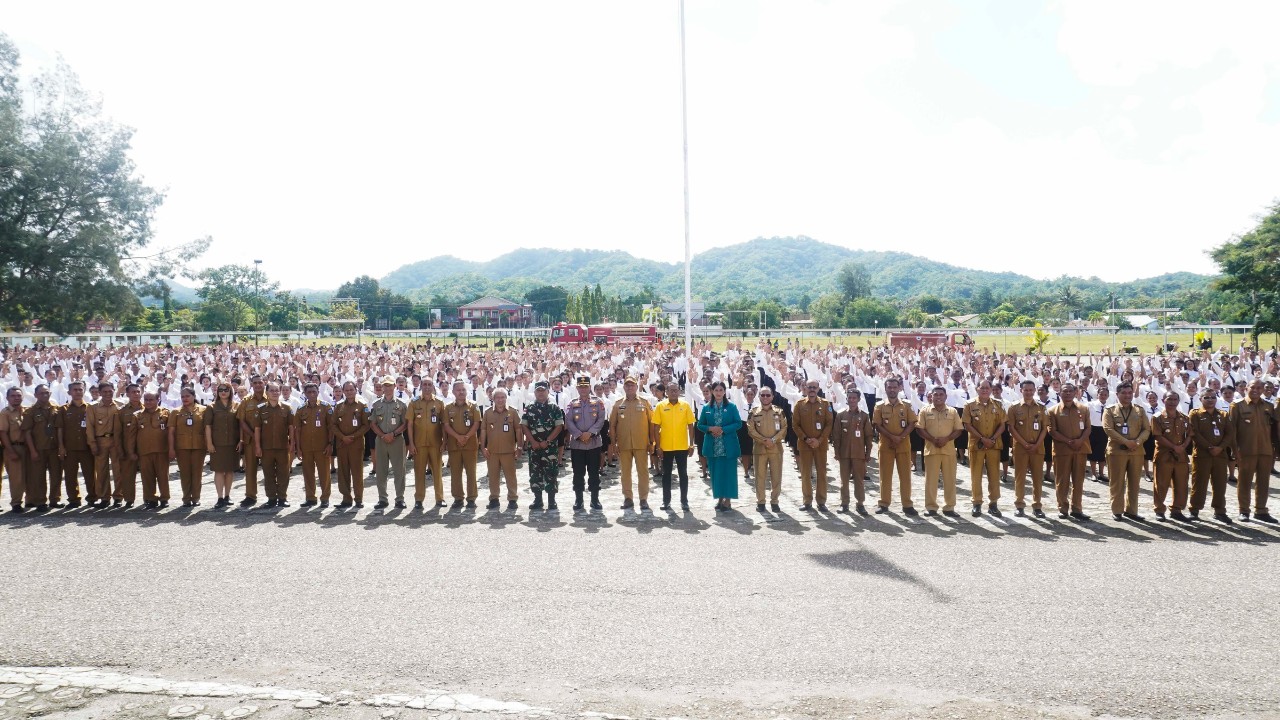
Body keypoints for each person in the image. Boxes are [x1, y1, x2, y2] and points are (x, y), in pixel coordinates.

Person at [1229, 379, 1278, 523]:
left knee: (1263, 481)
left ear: (1263, 390)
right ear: (1246, 388)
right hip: (1246, 450)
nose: (1255, 390)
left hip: (1265, 450)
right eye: (1252, 387)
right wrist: (1234, 451)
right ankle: (1244, 510)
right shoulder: (1237, 405)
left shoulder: (1269, 406)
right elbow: (1232, 431)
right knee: (1245, 481)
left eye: (1259, 387)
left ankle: (1261, 510)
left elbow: (1274, 429)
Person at [1102, 381, 1150, 521]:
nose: (1127, 395)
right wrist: (1126, 442)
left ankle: (1132, 511)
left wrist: (1137, 442)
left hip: (1136, 450)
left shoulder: (1139, 410)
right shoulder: (1110, 410)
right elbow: (1108, 429)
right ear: (1117, 394)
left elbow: (1146, 429)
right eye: (1124, 393)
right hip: (1117, 451)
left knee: (1134, 482)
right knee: (1117, 482)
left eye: (1129, 393)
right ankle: (1117, 510)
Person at [608, 376, 655, 511]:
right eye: (627, 385)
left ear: (636, 386)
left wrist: (652, 442)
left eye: (632, 385)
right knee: (625, 473)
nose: (630, 388)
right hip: (623, 444)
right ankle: (628, 498)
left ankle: (643, 499)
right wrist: (613, 443)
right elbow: (612, 425)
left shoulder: (645, 403)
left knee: (643, 472)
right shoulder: (617, 404)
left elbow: (651, 424)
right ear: (624, 387)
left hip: (641, 443)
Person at [871, 378, 917, 515]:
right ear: (885, 389)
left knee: (905, 476)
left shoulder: (906, 405)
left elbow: (912, 423)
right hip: (886, 445)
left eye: (894, 387)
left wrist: (900, 437)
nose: (892, 390)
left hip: (903, 445)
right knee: (885, 475)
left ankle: (907, 504)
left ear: (899, 388)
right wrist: (892, 437)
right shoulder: (879, 406)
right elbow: (877, 425)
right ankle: (884, 503)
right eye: (889, 387)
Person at [915, 386, 962, 517]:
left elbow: (958, 429)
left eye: (941, 394)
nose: (939, 397)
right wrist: (932, 439)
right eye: (936, 395)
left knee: (950, 479)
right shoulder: (925, 410)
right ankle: (931, 507)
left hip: (948, 450)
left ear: (946, 396)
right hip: (931, 449)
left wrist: (946, 439)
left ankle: (949, 507)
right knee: (930, 480)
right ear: (931, 396)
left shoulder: (953, 411)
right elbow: (919, 429)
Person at [1189, 387, 1233, 523]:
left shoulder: (1223, 415)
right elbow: (1194, 433)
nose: (1210, 400)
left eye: (1213, 397)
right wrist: (1209, 447)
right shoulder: (1195, 414)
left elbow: (1230, 434)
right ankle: (1194, 510)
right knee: (1199, 483)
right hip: (1203, 455)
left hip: (1220, 455)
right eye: (1206, 397)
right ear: (1201, 399)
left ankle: (1219, 511)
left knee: (1220, 484)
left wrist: (1220, 447)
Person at [1047, 382, 1090, 520]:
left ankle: (1077, 508)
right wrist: (1068, 441)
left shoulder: (1083, 409)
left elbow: (1088, 428)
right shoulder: (1053, 411)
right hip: (1062, 450)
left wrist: (1080, 441)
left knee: (1078, 481)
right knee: (1062, 480)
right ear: (1060, 393)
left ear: (1075, 392)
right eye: (1064, 391)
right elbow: (1052, 431)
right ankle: (1063, 508)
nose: (1067, 394)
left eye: (1070, 391)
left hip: (1080, 449)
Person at [964, 380, 1006, 517]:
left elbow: (1002, 425)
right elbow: (967, 425)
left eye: (987, 388)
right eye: (982, 388)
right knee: (976, 476)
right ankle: (976, 503)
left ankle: (993, 503)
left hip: (994, 445)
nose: (985, 390)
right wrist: (982, 439)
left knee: (994, 475)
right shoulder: (969, 405)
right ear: (977, 389)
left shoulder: (998, 405)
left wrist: (992, 439)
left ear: (991, 389)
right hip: (977, 445)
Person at [698, 381, 742, 512]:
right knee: (716, 474)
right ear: (712, 391)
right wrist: (711, 428)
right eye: (716, 390)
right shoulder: (706, 408)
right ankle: (719, 498)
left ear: (724, 392)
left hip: (728, 445)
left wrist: (723, 429)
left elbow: (738, 423)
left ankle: (728, 500)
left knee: (729, 473)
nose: (718, 393)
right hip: (713, 446)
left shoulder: (732, 407)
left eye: (721, 390)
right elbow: (700, 425)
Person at [520, 381, 565, 511]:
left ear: (547, 391)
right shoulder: (529, 407)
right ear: (534, 393)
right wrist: (533, 442)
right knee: (535, 473)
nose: (540, 393)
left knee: (551, 473)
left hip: (549, 447)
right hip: (534, 448)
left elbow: (559, 426)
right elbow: (524, 425)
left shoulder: (554, 407)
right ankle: (538, 500)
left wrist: (548, 441)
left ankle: (552, 501)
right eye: (538, 391)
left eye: (543, 390)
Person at [564, 376, 606, 512]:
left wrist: (590, 433)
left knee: (594, 473)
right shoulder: (572, 403)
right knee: (578, 473)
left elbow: (601, 419)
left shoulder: (598, 402)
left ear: (589, 387)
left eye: (585, 386)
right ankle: (579, 499)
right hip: (577, 445)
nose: (583, 389)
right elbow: (568, 421)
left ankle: (595, 499)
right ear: (577, 388)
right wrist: (579, 434)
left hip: (594, 443)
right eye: (580, 387)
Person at [1008, 380, 1048, 518]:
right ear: (1021, 390)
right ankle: (1019, 504)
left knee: (1037, 477)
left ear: (1034, 390)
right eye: (1026, 390)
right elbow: (1011, 428)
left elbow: (1044, 428)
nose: (1029, 392)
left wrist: (1036, 444)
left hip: (1038, 447)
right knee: (1020, 477)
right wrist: (1024, 443)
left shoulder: (1041, 408)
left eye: (1031, 390)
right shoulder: (1014, 407)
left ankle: (1037, 506)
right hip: (1020, 447)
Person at [653, 382, 695, 511]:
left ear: (679, 391)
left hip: (682, 446)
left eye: (676, 390)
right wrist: (658, 446)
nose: (674, 392)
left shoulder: (685, 405)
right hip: (666, 447)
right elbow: (656, 427)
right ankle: (666, 501)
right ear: (666, 392)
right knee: (666, 475)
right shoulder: (660, 406)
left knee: (683, 474)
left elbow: (690, 425)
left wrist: (691, 444)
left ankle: (684, 501)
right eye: (671, 390)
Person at [792, 379, 833, 512]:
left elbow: (829, 424)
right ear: (805, 388)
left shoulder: (826, 404)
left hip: (820, 445)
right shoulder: (799, 404)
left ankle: (821, 501)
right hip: (805, 445)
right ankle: (807, 501)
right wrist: (806, 438)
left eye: (814, 387)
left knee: (821, 472)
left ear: (818, 388)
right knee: (805, 473)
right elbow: (795, 425)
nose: (811, 390)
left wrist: (819, 440)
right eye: (809, 387)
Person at [369, 376, 409, 510]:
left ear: (394, 387)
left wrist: (393, 434)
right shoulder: (376, 404)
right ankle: (382, 499)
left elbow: (405, 423)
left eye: (390, 385)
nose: (387, 388)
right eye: (385, 385)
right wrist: (383, 435)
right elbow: (373, 423)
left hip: (397, 440)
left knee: (399, 471)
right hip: (381, 440)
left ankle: (400, 499)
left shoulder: (401, 404)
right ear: (382, 387)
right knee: (381, 471)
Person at [1150, 392, 1192, 522]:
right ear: (1163, 400)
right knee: (1161, 484)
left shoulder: (1184, 417)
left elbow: (1190, 434)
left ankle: (1177, 510)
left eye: (1175, 399)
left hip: (1181, 456)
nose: (1172, 402)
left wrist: (1183, 446)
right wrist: (1174, 447)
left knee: (1181, 484)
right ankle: (1159, 510)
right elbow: (1157, 436)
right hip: (1164, 455)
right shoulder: (1157, 417)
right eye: (1169, 399)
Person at [21, 386, 64, 508]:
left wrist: (61, 446)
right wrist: (32, 451)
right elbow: (27, 432)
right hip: (38, 448)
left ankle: (55, 499)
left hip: (54, 447)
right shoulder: (30, 412)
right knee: (38, 476)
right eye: (41, 393)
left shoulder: (56, 409)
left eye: (47, 393)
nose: (45, 395)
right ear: (35, 395)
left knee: (56, 475)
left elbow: (59, 428)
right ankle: (40, 501)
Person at [747, 386, 789, 512]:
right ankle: (761, 502)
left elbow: (784, 428)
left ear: (772, 396)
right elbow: (751, 429)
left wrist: (773, 440)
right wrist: (764, 440)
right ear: (759, 396)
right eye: (762, 395)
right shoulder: (753, 412)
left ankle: (775, 501)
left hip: (775, 448)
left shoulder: (779, 411)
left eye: (768, 395)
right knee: (759, 477)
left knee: (776, 476)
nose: (765, 397)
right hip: (760, 449)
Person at [406, 379, 446, 509]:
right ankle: (419, 499)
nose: (427, 387)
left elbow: (444, 424)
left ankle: (440, 498)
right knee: (419, 471)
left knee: (437, 472)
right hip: (419, 443)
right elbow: (410, 424)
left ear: (433, 387)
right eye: (425, 385)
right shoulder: (414, 402)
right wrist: (411, 444)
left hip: (435, 443)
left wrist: (444, 441)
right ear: (421, 386)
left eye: (430, 385)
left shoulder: (439, 403)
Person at [254, 381, 295, 508]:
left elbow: (291, 428)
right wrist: (257, 446)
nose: (275, 393)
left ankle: (282, 497)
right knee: (268, 473)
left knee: (284, 473)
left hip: (283, 447)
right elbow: (257, 429)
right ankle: (271, 498)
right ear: (267, 392)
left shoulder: (287, 408)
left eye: (277, 390)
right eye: (272, 390)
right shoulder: (261, 409)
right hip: (266, 447)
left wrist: (292, 443)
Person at [481, 388, 522, 510]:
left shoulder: (513, 412)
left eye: (502, 397)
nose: (500, 400)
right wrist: (482, 447)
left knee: (511, 476)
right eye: (497, 397)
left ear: (506, 398)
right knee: (493, 476)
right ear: (493, 399)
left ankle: (513, 499)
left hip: (509, 451)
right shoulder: (488, 413)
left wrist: (519, 447)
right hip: (492, 451)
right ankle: (494, 499)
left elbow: (518, 430)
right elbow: (483, 430)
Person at [294, 382, 334, 508]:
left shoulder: (326, 407)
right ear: (305, 393)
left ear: (318, 392)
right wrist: (298, 448)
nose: (311, 394)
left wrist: (330, 444)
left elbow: (331, 427)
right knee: (308, 473)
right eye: (309, 392)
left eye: (314, 392)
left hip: (322, 446)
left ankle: (325, 498)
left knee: (324, 474)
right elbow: (297, 429)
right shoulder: (300, 409)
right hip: (306, 447)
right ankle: (310, 498)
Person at [129, 392, 171, 509]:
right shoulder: (137, 415)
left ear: (158, 400)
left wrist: (172, 449)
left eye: (151, 400)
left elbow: (171, 433)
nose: (148, 402)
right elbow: (132, 436)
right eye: (146, 399)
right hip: (144, 452)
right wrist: (131, 451)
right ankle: (151, 499)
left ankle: (164, 498)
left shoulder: (165, 413)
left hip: (161, 451)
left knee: (163, 476)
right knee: (147, 477)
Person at [333, 381, 369, 510]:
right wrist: (343, 437)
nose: (349, 392)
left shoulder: (362, 405)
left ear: (355, 390)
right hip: (342, 444)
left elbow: (366, 425)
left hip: (356, 444)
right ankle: (346, 498)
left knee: (357, 472)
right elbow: (333, 425)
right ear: (343, 391)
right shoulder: (338, 407)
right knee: (343, 472)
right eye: (346, 390)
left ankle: (358, 499)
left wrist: (353, 437)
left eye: (351, 389)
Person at [444, 380, 481, 508]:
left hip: (470, 444)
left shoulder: (473, 406)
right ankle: (458, 498)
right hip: (454, 445)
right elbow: (446, 425)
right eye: (458, 390)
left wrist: (466, 437)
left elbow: (476, 423)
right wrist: (457, 437)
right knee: (455, 473)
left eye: (463, 390)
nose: (461, 392)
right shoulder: (448, 407)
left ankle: (471, 498)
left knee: (471, 472)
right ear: (453, 392)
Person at [203, 382, 240, 507]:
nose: (223, 392)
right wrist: (209, 443)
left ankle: (227, 495)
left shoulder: (236, 405)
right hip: (217, 443)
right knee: (219, 471)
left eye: (226, 390)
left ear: (231, 392)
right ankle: (219, 497)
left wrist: (241, 441)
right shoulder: (211, 407)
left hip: (232, 443)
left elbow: (240, 425)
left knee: (229, 471)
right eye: (221, 390)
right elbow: (208, 426)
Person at [87, 382, 123, 507]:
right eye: (105, 392)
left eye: (110, 391)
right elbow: (90, 427)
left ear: (114, 390)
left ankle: (118, 497)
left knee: (118, 470)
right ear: (100, 393)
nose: (108, 394)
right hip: (100, 441)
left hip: (115, 441)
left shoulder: (120, 405)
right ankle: (104, 498)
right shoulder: (92, 407)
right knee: (101, 471)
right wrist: (92, 444)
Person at [169, 386, 206, 507]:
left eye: (187, 396)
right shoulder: (176, 412)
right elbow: (171, 432)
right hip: (182, 447)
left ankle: (195, 497)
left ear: (194, 396)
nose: (185, 398)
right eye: (182, 396)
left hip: (199, 446)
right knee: (185, 473)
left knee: (197, 473)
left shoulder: (203, 410)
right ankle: (186, 498)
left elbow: (208, 429)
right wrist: (171, 449)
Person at [60, 381, 95, 506]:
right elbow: (60, 429)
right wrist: (61, 446)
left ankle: (92, 497)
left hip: (87, 447)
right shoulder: (63, 409)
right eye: (75, 390)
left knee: (90, 474)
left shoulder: (90, 407)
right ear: (69, 392)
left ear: (84, 391)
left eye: (80, 389)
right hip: (70, 448)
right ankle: (74, 499)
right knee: (70, 476)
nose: (78, 392)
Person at [235, 375, 267, 506]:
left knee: (270, 469)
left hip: (268, 440)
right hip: (250, 440)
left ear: (264, 383)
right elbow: (242, 421)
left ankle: (274, 496)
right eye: (255, 383)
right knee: (250, 470)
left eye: (260, 382)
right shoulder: (246, 401)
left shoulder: (271, 398)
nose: (258, 385)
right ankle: (250, 496)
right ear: (251, 385)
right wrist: (255, 436)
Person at [115, 383, 144, 509]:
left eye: (138, 391)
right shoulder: (122, 411)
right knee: (127, 476)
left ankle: (149, 498)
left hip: (145, 448)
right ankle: (129, 499)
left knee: (148, 475)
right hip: (127, 449)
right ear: (127, 394)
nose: (136, 394)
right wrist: (120, 450)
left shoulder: (148, 408)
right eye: (133, 392)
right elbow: (117, 433)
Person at [1, 387, 30, 512]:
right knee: (16, 478)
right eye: (13, 396)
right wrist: (10, 451)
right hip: (13, 447)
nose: (16, 398)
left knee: (30, 476)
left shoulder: (26, 411)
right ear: (7, 398)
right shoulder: (5, 413)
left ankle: (30, 500)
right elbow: (2, 433)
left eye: (18, 395)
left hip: (27, 448)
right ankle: (16, 503)